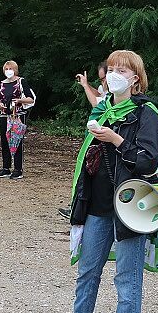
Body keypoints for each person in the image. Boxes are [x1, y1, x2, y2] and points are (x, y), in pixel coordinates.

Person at [43, 50, 158, 313]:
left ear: (135, 78)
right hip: (98, 203)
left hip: (131, 205)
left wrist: (116, 140)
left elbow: (148, 160)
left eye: (121, 70)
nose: (113, 74)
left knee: (127, 276)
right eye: (110, 68)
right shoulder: (103, 108)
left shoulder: (147, 113)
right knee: (88, 269)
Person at [60, 61, 110, 218]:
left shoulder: (115, 96)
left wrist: (85, 86)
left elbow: (96, 103)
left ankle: (81, 208)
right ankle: (78, 205)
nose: (102, 83)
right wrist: (87, 84)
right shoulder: (108, 92)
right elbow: (100, 95)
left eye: (103, 79)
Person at [0, 60, 37, 180]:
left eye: (10, 69)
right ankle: (6, 168)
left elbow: (31, 99)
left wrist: (19, 101)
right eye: (6, 69)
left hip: (17, 115)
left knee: (17, 140)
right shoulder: (2, 83)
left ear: (15, 70)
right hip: (4, 115)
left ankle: (18, 169)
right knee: (5, 141)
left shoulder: (21, 82)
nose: (8, 71)